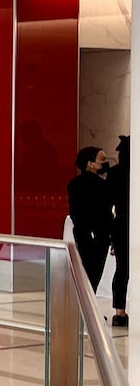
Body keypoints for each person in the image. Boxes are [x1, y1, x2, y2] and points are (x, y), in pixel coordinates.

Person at [69, 146, 113, 293]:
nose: (105, 162)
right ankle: (89, 302)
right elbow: (106, 213)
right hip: (100, 235)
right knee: (94, 274)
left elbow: (75, 213)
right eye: (102, 159)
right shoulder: (102, 186)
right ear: (90, 163)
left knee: (86, 272)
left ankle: (85, 302)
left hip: (82, 233)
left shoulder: (73, 184)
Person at [113, 135, 131, 329]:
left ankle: (119, 312)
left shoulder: (114, 173)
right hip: (132, 222)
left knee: (121, 269)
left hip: (120, 222)